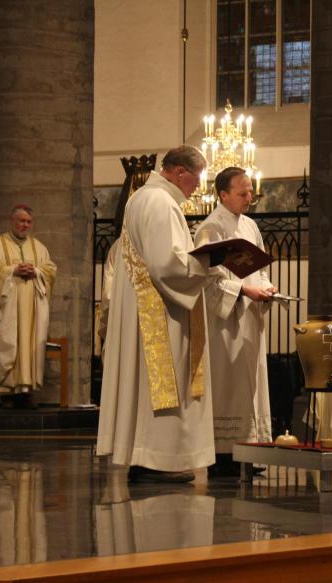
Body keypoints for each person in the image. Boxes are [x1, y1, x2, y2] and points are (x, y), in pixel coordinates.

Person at [96, 145, 231, 482]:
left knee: (150, 385)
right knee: (162, 382)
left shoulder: (144, 198)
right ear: (179, 172)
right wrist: (210, 261)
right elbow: (167, 264)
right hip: (161, 312)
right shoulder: (159, 201)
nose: (197, 187)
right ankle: (157, 460)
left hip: (153, 307)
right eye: (195, 179)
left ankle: (149, 457)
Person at [194, 167, 276, 473]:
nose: (249, 197)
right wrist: (243, 290)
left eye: (251, 191)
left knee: (251, 381)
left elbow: (261, 266)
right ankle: (223, 455)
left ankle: (249, 448)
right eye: (242, 193)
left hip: (251, 315)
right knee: (228, 382)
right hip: (225, 321)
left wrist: (267, 286)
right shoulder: (209, 229)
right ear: (223, 194)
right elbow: (206, 278)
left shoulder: (251, 226)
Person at [0, 204, 57, 409]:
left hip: (31, 311)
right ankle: (3, 392)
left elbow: (50, 269)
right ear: (12, 221)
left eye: (28, 221)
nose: (25, 225)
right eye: (21, 221)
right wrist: (12, 270)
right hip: (6, 308)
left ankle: (24, 393)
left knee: (28, 346)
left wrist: (36, 271)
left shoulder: (39, 247)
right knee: (6, 343)